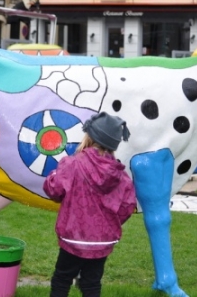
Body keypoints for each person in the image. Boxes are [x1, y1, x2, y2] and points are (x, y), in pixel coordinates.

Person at [43, 111, 137, 297]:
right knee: (91, 283)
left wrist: (53, 175)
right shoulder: (120, 175)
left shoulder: (72, 165)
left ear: (90, 137)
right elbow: (127, 206)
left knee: (61, 279)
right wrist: (109, 222)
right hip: (102, 241)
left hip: (73, 237)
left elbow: (54, 189)